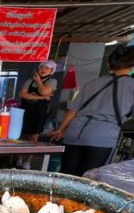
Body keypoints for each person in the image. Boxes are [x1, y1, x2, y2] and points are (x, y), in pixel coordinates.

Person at [50, 45, 134, 177]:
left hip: (74, 134)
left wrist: (61, 130)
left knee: (67, 178)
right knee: (89, 181)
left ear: (108, 64)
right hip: (102, 137)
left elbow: (72, 110)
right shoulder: (131, 86)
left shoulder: (93, 83)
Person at [18, 60, 58, 169]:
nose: (43, 69)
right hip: (25, 111)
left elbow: (45, 91)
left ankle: (28, 161)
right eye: (42, 67)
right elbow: (22, 94)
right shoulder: (30, 81)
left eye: (47, 68)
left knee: (34, 137)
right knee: (20, 136)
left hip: (39, 113)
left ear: (52, 71)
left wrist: (39, 82)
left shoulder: (52, 81)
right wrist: (40, 97)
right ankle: (19, 158)